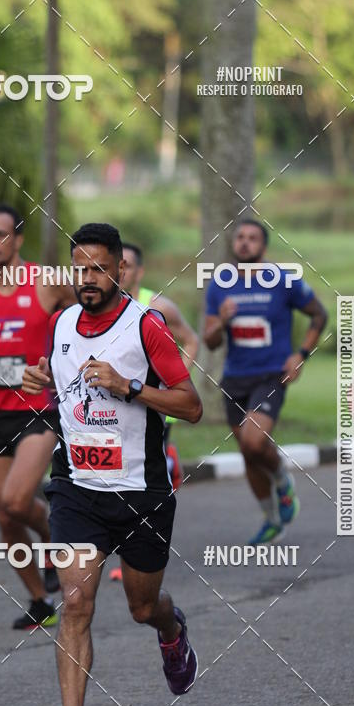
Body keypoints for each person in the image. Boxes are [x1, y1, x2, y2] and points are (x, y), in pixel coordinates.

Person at [22, 223, 202, 706]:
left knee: (143, 606)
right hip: (76, 488)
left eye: (99, 269)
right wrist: (40, 382)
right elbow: (65, 389)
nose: (89, 280)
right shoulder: (60, 324)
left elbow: (190, 405)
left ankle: (173, 633)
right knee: (75, 603)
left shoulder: (146, 326)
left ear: (121, 269)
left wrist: (129, 387)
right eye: (80, 269)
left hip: (140, 491)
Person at [0, 204, 75, 628]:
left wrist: (65, 366)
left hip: (39, 410)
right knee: (6, 516)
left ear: (18, 239)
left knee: (17, 500)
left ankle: (55, 544)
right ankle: (41, 602)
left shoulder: (48, 283)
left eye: (1, 234)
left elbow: (88, 320)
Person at [203, 219, 327, 545]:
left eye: (252, 238)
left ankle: (282, 477)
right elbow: (211, 339)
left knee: (254, 442)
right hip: (234, 377)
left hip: (271, 373)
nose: (244, 243)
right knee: (247, 452)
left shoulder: (283, 281)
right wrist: (223, 321)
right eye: (239, 238)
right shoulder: (220, 284)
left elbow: (319, 315)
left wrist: (300, 354)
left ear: (263, 245)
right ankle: (272, 519)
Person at [104, 242, 199, 581]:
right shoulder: (99, 308)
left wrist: (173, 382)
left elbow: (191, 340)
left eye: (128, 265)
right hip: (112, 410)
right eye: (118, 264)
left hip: (152, 406)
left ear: (139, 271)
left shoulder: (156, 306)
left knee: (139, 474)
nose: (122, 271)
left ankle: (133, 553)